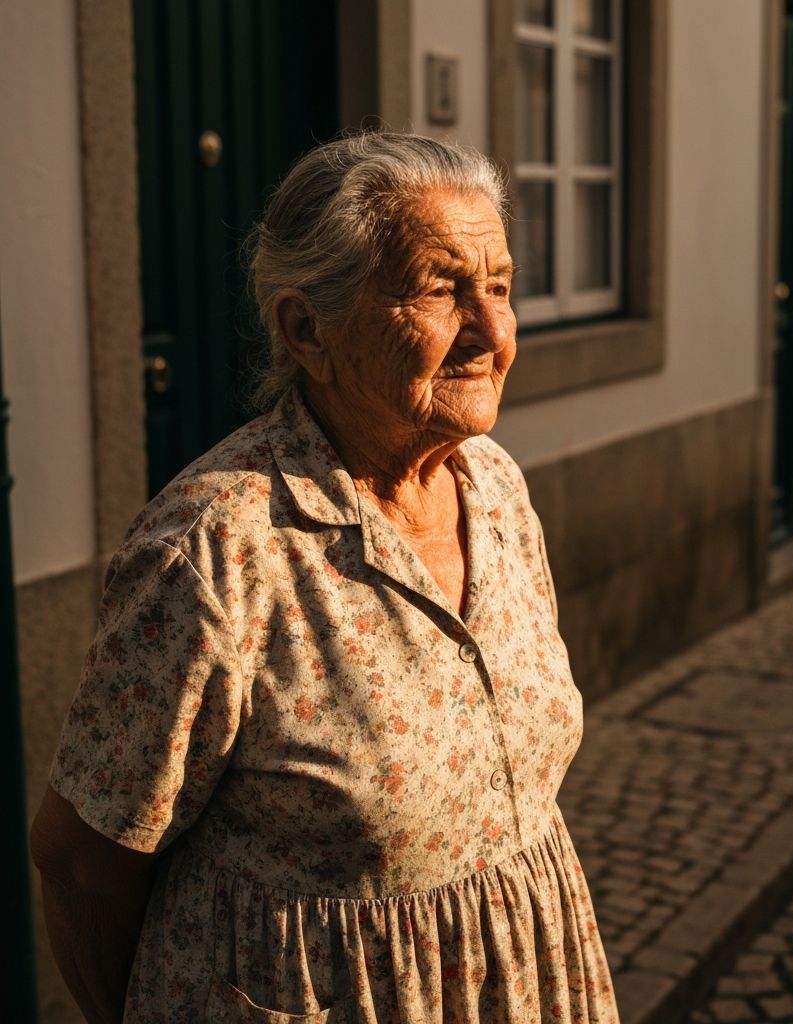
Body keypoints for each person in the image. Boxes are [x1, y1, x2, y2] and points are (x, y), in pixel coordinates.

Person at [30, 131, 619, 1023]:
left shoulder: (494, 485)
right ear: (308, 329)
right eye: (440, 289)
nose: (494, 331)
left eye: (499, 287)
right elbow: (81, 862)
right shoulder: (214, 550)